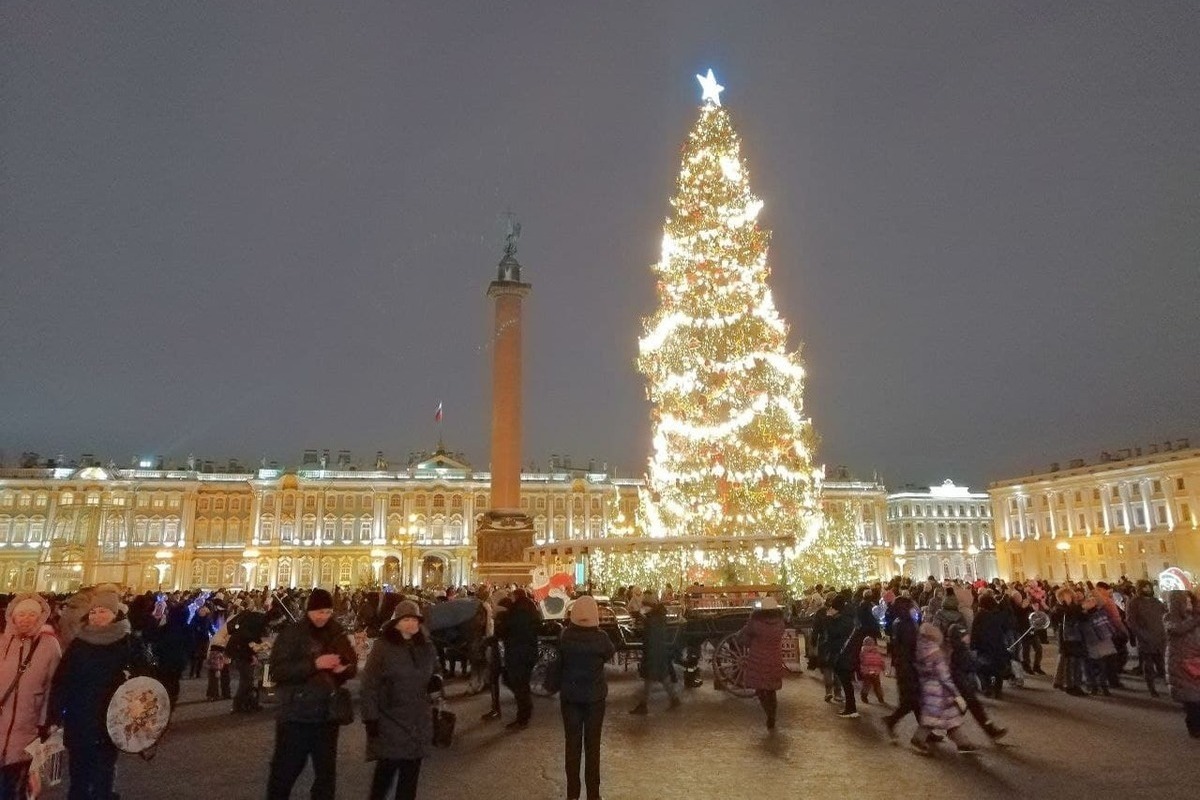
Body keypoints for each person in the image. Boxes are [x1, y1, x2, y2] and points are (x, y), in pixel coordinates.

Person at [265, 588, 358, 800]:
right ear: (309, 611)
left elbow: (351, 663)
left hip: (327, 715)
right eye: (319, 612)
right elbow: (278, 671)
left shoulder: (337, 633)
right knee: (285, 772)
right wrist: (314, 664)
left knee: (326, 775)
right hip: (296, 714)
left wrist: (345, 669)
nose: (323, 616)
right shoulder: (292, 634)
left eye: (327, 611)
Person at [49, 589, 136, 800]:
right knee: (78, 775)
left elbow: (142, 680)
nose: (97, 616)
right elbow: (62, 681)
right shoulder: (79, 643)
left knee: (103, 774)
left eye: (103, 611)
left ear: (115, 614)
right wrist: (54, 715)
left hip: (110, 719)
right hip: (80, 718)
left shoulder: (127, 643)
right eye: (94, 611)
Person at [360, 600, 438, 800]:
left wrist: (435, 683)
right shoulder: (383, 647)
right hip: (390, 719)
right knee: (384, 775)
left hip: (418, 720)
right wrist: (371, 718)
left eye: (415, 620)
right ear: (396, 622)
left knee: (410, 780)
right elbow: (369, 684)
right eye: (407, 619)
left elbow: (435, 672)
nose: (412, 624)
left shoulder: (426, 647)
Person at [0, 594, 62, 800]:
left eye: (32, 615)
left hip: (27, 728)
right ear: (12, 616)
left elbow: (53, 687)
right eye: (21, 614)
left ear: (40, 617)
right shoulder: (2, 641)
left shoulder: (50, 646)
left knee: (14, 787)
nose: (26, 619)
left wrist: (45, 724)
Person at [558, 596, 615, 800]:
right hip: (595, 699)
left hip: (570, 699)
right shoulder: (601, 639)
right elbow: (610, 654)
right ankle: (593, 794)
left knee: (571, 746)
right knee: (593, 747)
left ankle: (572, 793)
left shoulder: (565, 636)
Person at [912, 623, 977, 754]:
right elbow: (944, 675)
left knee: (945, 717)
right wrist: (956, 694)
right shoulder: (935, 652)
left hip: (928, 689)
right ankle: (918, 740)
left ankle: (962, 743)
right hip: (939, 691)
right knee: (936, 719)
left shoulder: (919, 649)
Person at [737, 596, 787, 728]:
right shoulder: (780, 623)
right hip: (774, 658)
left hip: (757, 658)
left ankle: (768, 713)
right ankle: (772, 716)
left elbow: (745, 636)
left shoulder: (756, 622)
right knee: (772, 690)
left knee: (760, 689)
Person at [497, 588, 540, 731]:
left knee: (518, 684)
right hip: (529, 652)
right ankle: (525, 711)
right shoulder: (531, 610)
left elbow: (502, 631)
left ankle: (523, 717)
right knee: (523, 684)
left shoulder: (515, 613)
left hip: (517, 654)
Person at [629, 600, 679, 714]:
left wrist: (639, 625)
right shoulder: (657, 618)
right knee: (661, 677)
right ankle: (674, 699)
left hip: (653, 652)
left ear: (649, 608)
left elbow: (648, 635)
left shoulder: (652, 620)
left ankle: (643, 705)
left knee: (649, 678)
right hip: (658, 652)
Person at [1164, 589, 1200, 737]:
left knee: (1196, 696)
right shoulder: (1170, 618)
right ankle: (1194, 728)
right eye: (1186, 602)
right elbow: (1178, 629)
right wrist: (1196, 619)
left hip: (1196, 660)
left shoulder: (1195, 617)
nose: (1189, 604)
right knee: (1191, 699)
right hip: (1181, 663)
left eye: (1191, 601)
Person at [1126, 580, 1168, 697]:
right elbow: (1131, 621)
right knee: (1148, 666)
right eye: (1145, 587)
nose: (1148, 589)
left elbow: (1165, 614)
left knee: (1162, 665)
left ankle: (1168, 686)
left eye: (1149, 587)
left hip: (1160, 638)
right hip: (1146, 640)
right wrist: (1142, 635)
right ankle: (1152, 688)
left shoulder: (1156, 602)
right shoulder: (1134, 603)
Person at [820, 596, 858, 719]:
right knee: (846, 683)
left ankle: (851, 709)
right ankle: (850, 707)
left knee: (846, 683)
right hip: (846, 653)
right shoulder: (848, 617)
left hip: (843, 655)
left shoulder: (845, 620)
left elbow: (834, 633)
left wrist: (829, 618)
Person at [857, 635, 887, 705]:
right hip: (876, 672)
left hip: (866, 671)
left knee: (866, 685)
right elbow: (880, 661)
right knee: (877, 685)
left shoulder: (862, 651)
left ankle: (864, 696)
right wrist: (883, 667)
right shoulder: (876, 651)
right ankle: (880, 698)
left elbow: (860, 661)